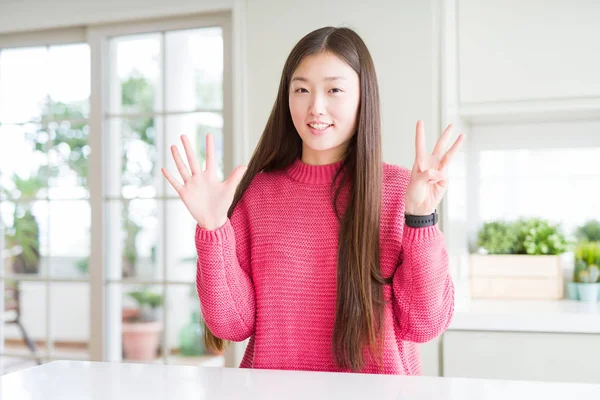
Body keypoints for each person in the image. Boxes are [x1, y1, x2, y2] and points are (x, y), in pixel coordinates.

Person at [162, 26, 464, 375]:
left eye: (334, 89)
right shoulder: (257, 195)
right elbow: (232, 326)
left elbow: (424, 325)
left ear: (364, 96)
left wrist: (420, 219)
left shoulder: (399, 191)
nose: (315, 107)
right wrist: (212, 229)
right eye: (301, 89)